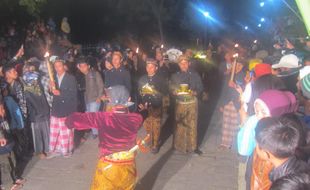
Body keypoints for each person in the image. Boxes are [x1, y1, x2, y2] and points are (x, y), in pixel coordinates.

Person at [65, 85, 143, 190]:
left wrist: (69, 119)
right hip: (128, 165)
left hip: (108, 166)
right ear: (128, 100)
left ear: (110, 100)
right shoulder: (136, 119)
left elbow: (72, 120)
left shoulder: (102, 118)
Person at [255, 117, 310, 183]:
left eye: (257, 144)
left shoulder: (284, 184)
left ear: (265, 154)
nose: (255, 147)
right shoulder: (301, 160)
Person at [170, 55, 203, 154]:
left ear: (189, 64)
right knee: (179, 125)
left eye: (185, 63)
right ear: (179, 65)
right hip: (180, 103)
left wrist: (195, 92)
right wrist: (173, 91)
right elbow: (171, 87)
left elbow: (200, 87)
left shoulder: (195, 75)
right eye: (181, 63)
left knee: (192, 125)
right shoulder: (175, 76)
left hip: (192, 103)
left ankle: (193, 147)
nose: (183, 65)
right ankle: (178, 145)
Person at [47, 58, 78, 158]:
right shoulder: (53, 78)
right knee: (54, 130)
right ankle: (54, 150)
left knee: (66, 131)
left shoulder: (70, 78)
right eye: (55, 66)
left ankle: (66, 150)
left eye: (59, 66)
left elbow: (73, 93)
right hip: (56, 107)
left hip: (67, 107)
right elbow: (51, 93)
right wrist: (50, 87)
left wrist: (61, 93)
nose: (57, 68)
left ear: (64, 66)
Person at [138, 58, 168, 153]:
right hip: (145, 107)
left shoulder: (160, 79)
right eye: (148, 67)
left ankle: (155, 144)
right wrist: (142, 103)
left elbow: (165, 92)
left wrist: (155, 93)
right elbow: (139, 92)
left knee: (156, 126)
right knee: (147, 125)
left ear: (156, 68)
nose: (149, 69)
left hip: (156, 106)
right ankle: (150, 140)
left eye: (152, 67)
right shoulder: (142, 79)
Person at [22, 70, 50, 159]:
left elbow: (43, 99)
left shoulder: (37, 87)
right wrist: (35, 115)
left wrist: (46, 110)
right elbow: (30, 106)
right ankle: (40, 151)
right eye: (34, 79)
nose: (36, 80)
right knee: (38, 135)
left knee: (46, 132)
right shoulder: (27, 90)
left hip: (44, 113)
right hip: (36, 116)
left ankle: (47, 148)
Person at [77, 57, 104, 138]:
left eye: (84, 66)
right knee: (90, 117)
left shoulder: (95, 74)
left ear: (88, 66)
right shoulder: (80, 76)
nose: (82, 68)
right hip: (86, 100)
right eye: (80, 66)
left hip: (95, 99)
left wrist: (99, 97)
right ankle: (97, 131)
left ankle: (96, 133)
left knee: (92, 116)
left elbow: (101, 85)